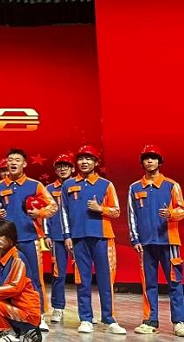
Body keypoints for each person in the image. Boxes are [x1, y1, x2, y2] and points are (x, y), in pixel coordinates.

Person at [61, 144, 127, 334]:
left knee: (106, 280)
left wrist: (101, 209)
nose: (84, 162)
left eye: (88, 159)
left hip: (102, 237)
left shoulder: (106, 184)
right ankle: (86, 319)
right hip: (78, 238)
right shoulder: (68, 185)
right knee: (82, 280)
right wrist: (67, 236)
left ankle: (109, 319)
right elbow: (63, 213)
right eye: (81, 159)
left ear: (96, 162)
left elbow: (116, 211)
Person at [0, 148, 56, 330]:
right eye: (10, 159)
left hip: (29, 237)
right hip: (6, 241)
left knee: (34, 277)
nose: (13, 163)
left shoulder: (35, 185)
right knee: (4, 278)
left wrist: (39, 213)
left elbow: (53, 206)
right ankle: (8, 315)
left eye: (17, 160)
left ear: (24, 164)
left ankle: (39, 316)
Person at [127, 144, 184, 336]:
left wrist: (171, 214)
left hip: (169, 242)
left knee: (175, 282)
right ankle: (150, 321)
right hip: (146, 244)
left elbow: (182, 210)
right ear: (142, 162)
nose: (150, 161)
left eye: (153, 158)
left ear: (159, 162)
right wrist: (135, 239)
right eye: (146, 158)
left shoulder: (172, 185)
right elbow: (132, 215)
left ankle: (179, 321)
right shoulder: (134, 188)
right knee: (149, 283)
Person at [43, 152, 75, 324]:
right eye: (59, 166)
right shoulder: (48, 189)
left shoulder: (78, 185)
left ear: (72, 168)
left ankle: (87, 313)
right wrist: (47, 234)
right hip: (56, 236)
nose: (63, 169)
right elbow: (45, 213)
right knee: (58, 274)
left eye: (66, 166)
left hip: (77, 236)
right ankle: (58, 307)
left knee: (82, 275)